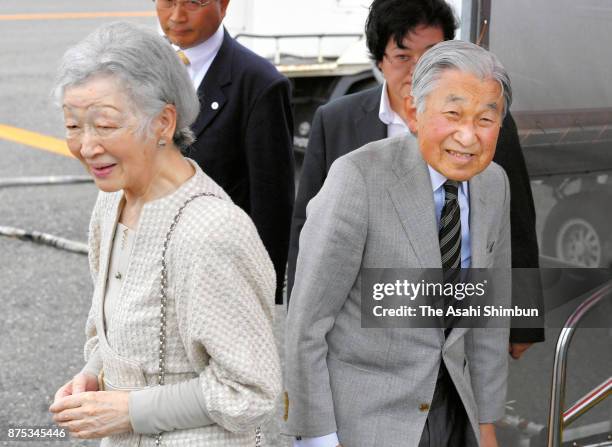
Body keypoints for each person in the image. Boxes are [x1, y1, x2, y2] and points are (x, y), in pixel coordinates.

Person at [49, 22, 280, 446]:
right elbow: (113, 330)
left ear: (163, 122)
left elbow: (251, 391)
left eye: (104, 124)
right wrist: (91, 376)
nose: (86, 146)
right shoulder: (111, 201)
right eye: (72, 126)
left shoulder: (212, 233)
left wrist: (130, 411)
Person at [284, 40, 512, 447]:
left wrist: (488, 421)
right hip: (367, 420)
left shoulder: (494, 183)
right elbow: (307, 322)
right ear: (414, 112)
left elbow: (487, 315)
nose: (468, 135)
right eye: (453, 114)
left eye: (485, 119)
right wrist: (316, 436)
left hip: (455, 410)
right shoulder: (358, 178)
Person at [286, 0, 543, 355]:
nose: (417, 69)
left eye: (431, 54)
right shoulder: (337, 120)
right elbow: (307, 225)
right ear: (380, 60)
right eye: (402, 56)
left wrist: (523, 321)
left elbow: (515, 220)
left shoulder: (483, 119)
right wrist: (300, 312)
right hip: (364, 323)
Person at [154, 0, 295, 304]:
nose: (177, 16)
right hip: (152, 266)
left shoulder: (259, 83)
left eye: (194, 2)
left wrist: (260, 291)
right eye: (167, 1)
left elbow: (272, 200)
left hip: (221, 274)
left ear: (224, 4)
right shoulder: (141, 68)